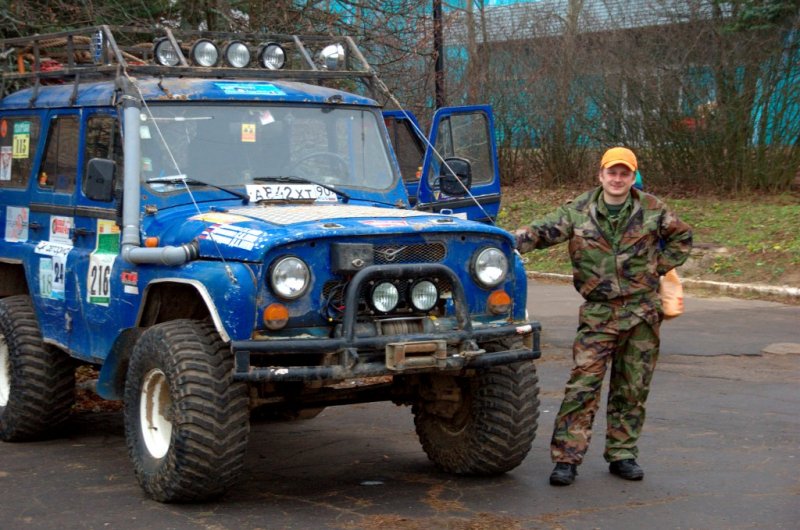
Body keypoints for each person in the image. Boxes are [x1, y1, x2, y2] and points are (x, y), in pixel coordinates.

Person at [514, 147, 692, 486]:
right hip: (599, 313)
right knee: (583, 385)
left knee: (632, 388)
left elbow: (682, 237)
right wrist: (506, 241)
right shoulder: (578, 211)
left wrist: (657, 267)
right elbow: (540, 232)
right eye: (612, 172)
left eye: (625, 173)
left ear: (633, 177)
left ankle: (623, 454)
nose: (617, 179)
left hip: (641, 313)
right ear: (601, 175)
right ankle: (567, 459)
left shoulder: (653, 209)